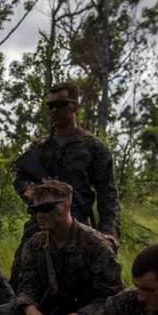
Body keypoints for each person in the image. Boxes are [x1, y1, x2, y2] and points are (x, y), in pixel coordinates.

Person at [0, 179, 123, 315]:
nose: (39, 215)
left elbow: (113, 296)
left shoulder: (96, 245)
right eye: (35, 210)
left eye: (46, 208)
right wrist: (29, 308)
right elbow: (27, 285)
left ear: (66, 206)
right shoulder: (35, 244)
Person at [10, 81, 120, 289]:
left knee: (89, 286)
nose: (54, 110)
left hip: (78, 224)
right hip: (39, 223)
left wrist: (109, 233)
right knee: (19, 281)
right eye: (50, 105)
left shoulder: (93, 147)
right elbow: (20, 180)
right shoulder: (39, 147)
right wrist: (40, 196)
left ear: (75, 106)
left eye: (60, 104)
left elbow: (109, 195)